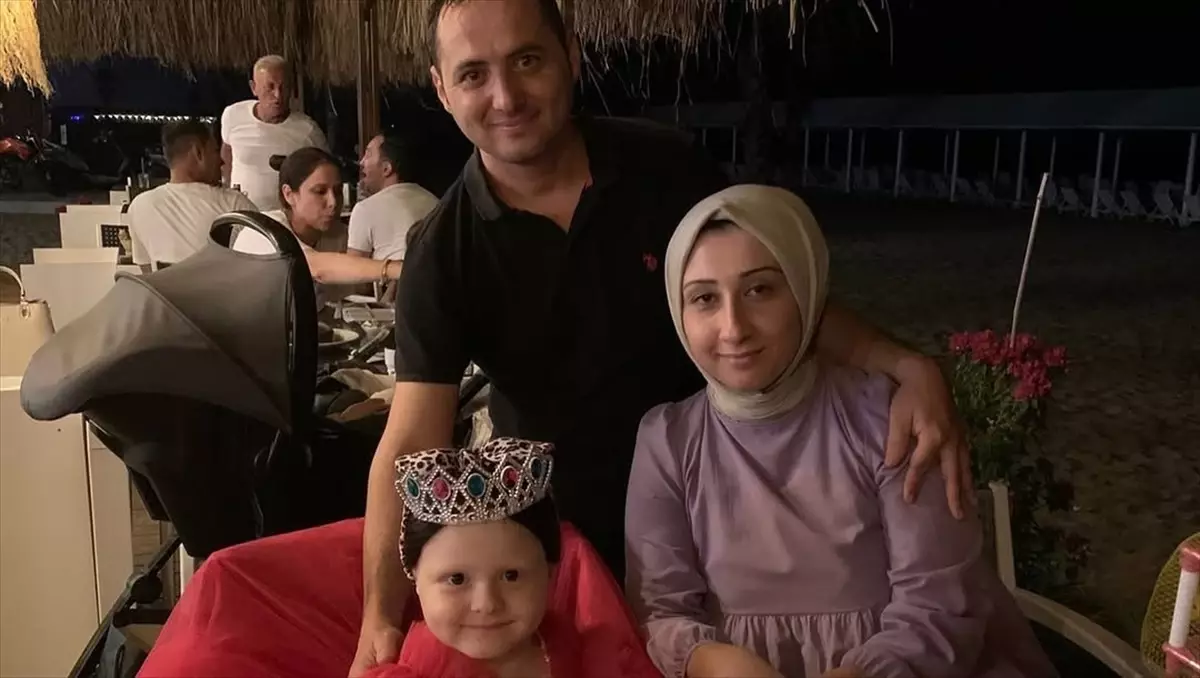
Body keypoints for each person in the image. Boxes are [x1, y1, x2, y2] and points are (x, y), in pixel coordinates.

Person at [353, 0, 970, 673]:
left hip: (722, 519)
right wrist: (379, 618)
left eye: (527, 60)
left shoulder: (663, 167)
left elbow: (769, 294)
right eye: (473, 74)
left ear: (571, 56)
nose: (506, 96)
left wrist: (904, 365)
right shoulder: (443, 252)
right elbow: (412, 439)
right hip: (564, 553)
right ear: (442, 89)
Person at [625, 184, 1057, 678]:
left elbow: (939, 603)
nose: (734, 328)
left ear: (806, 292)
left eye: (759, 290)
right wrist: (713, 662)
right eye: (704, 298)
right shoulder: (668, 441)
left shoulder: (889, 417)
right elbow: (660, 611)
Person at [363, 438, 661, 678]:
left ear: (550, 571)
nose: (487, 604)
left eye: (511, 575)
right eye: (457, 579)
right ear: (414, 576)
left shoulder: (587, 657)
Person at [231, 147, 401, 306]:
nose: (333, 202)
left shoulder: (338, 236)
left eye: (337, 191)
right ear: (289, 194)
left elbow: (352, 292)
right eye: (320, 192)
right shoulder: (263, 230)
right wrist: (395, 268)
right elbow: (316, 267)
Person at [127, 119, 256, 272]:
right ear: (198, 153)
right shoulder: (235, 205)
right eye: (215, 151)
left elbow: (148, 274)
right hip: (222, 287)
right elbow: (263, 265)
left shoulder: (139, 206)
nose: (221, 161)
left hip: (166, 288)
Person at [221, 55, 328, 210]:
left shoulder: (308, 130)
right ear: (254, 88)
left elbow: (326, 173)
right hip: (242, 215)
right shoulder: (233, 115)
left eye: (283, 87)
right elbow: (226, 154)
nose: (278, 95)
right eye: (270, 87)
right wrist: (227, 191)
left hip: (286, 217)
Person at [349, 133, 440, 265]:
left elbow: (353, 270)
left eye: (368, 154)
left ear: (386, 168)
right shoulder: (435, 202)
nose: (361, 162)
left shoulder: (365, 209)